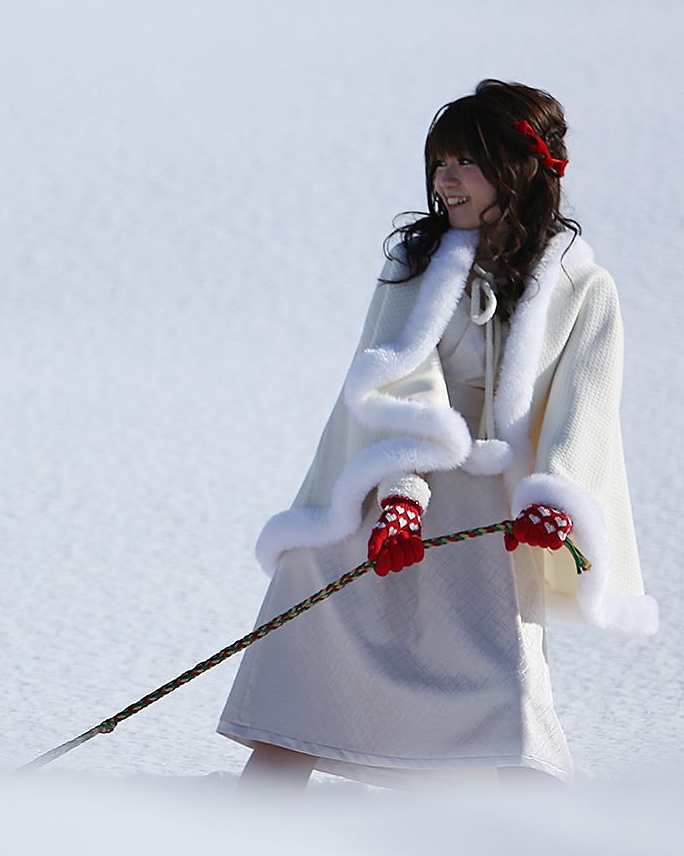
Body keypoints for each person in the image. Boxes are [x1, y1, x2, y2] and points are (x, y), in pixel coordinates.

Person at [217, 80, 658, 793]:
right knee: (301, 656)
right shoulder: (415, 265)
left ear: (518, 169)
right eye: (439, 163)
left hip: (494, 529)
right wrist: (400, 495)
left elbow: (586, 410)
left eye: (465, 163)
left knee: (512, 722)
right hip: (396, 502)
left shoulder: (584, 289)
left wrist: (558, 498)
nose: (444, 181)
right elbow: (395, 384)